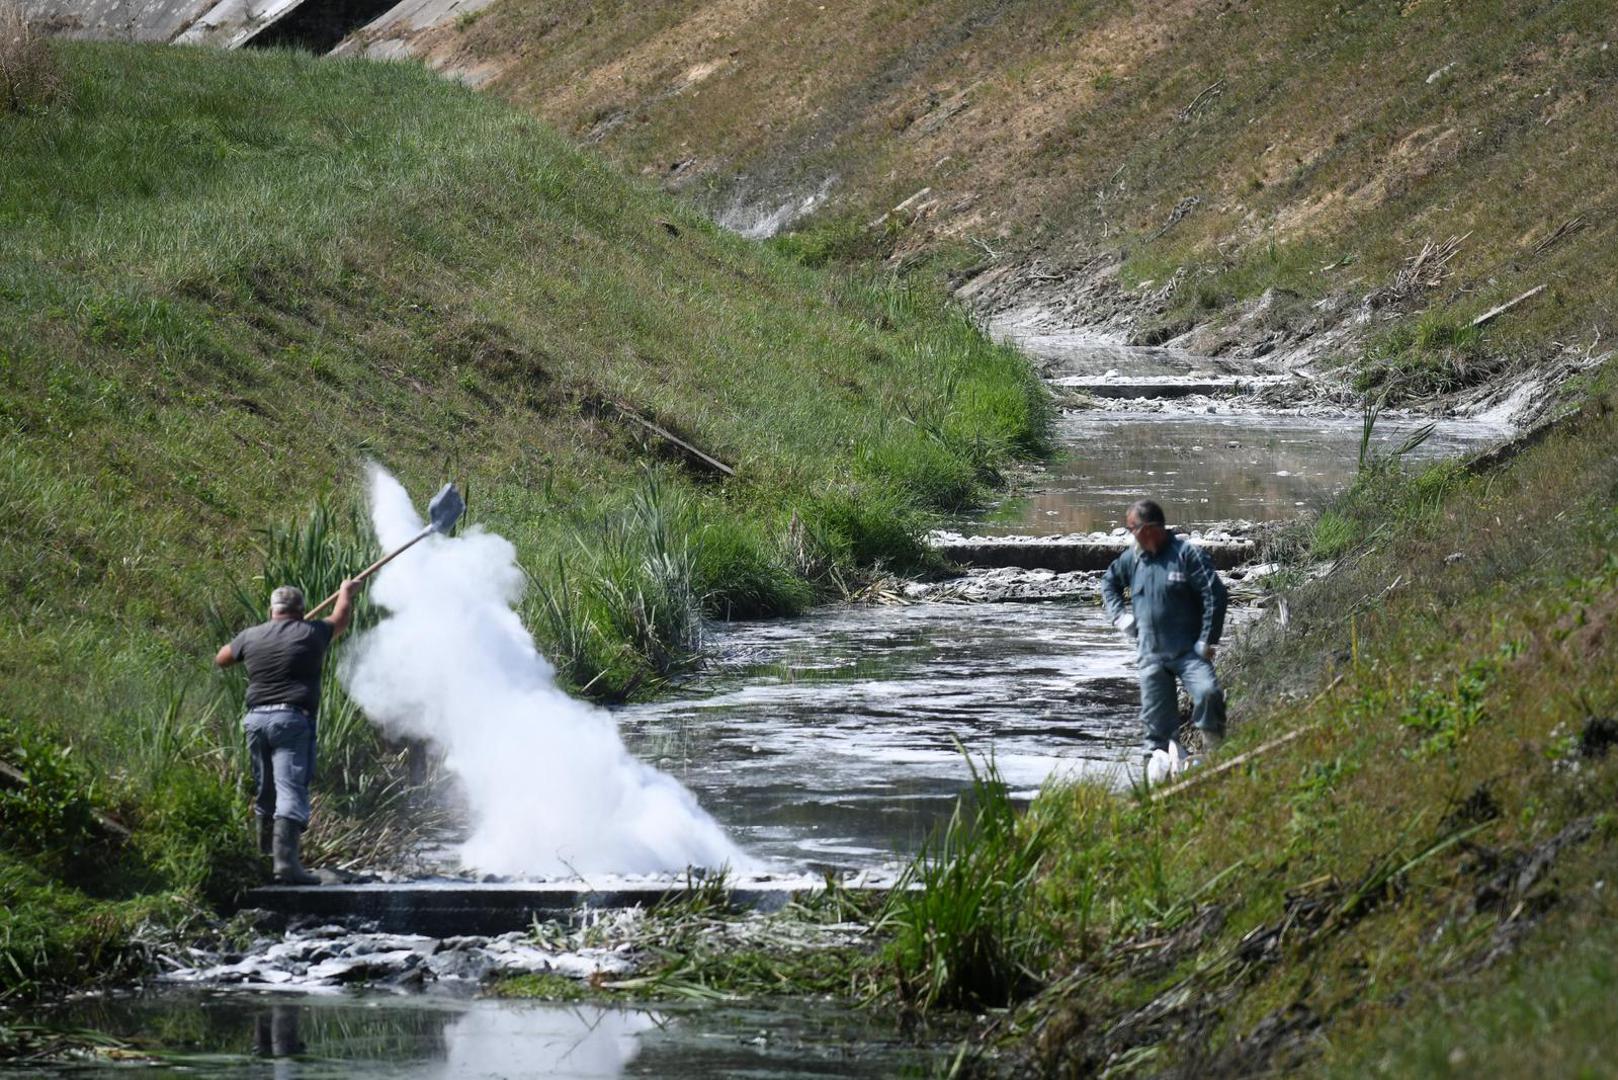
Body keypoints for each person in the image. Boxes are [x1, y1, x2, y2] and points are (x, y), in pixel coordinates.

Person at [215, 579, 358, 884]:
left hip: (255, 721)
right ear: (301, 610)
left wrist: (259, 639)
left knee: (266, 790)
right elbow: (340, 619)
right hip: (291, 720)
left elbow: (222, 659)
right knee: (290, 789)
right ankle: (286, 866)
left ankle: (264, 863)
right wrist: (345, 592)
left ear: (272, 610)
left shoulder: (251, 636)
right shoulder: (312, 632)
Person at [1100, 499, 1228, 771]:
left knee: (1208, 694)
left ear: (1148, 529)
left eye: (1131, 528)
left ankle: (1217, 758)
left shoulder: (1186, 556)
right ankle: (1157, 780)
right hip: (1151, 655)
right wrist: (1119, 616)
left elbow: (1215, 594)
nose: (1129, 534)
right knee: (1156, 728)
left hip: (1188, 652)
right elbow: (1109, 582)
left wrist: (1208, 638)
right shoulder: (1133, 558)